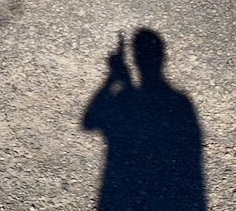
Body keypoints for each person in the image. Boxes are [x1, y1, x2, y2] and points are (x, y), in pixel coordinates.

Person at [81, 28, 206, 210]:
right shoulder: (180, 102)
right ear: (162, 58)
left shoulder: (127, 96)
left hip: (123, 184)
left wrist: (112, 79)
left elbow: (89, 121)